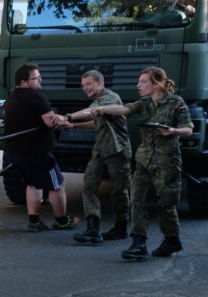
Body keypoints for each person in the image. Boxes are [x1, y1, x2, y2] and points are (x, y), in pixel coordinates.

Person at [72, 66, 192, 260]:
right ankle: (138, 243)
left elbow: (188, 128)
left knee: (165, 205)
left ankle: (172, 239)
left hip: (167, 161)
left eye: (143, 82)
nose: (138, 85)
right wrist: (100, 108)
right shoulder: (143, 103)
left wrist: (173, 131)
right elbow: (124, 109)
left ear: (156, 83)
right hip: (144, 159)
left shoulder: (176, 102)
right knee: (138, 201)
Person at [62, 70, 131, 244]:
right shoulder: (97, 102)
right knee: (89, 186)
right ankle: (93, 229)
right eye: (83, 85)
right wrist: (73, 125)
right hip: (100, 150)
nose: (85, 88)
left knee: (119, 190)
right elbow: (96, 121)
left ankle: (121, 227)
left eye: (89, 84)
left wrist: (68, 116)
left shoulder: (111, 98)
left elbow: (92, 112)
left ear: (100, 83)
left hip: (117, 150)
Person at [1, 63, 72, 231]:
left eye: (40, 77)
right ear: (24, 82)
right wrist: (64, 120)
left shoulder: (13, 96)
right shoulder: (34, 95)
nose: (40, 81)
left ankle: (34, 222)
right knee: (57, 184)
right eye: (36, 78)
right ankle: (62, 221)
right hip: (37, 152)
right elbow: (50, 121)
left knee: (33, 184)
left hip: (17, 152)